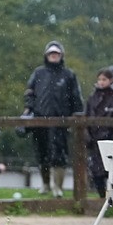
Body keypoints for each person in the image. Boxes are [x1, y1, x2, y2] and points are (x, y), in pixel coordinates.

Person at [24, 40, 84, 197]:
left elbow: (76, 99)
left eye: (56, 53)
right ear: (46, 55)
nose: (54, 56)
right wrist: (29, 109)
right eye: (51, 53)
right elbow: (29, 93)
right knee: (41, 153)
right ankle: (45, 185)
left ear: (61, 55)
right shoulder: (38, 73)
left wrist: (76, 118)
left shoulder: (69, 75)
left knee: (59, 154)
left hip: (61, 122)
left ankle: (58, 187)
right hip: (40, 120)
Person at [85, 67, 113, 197]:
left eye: (104, 79)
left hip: (112, 141)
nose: (101, 82)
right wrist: (88, 137)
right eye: (99, 79)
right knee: (96, 173)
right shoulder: (92, 98)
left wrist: (111, 129)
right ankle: (103, 198)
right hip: (95, 142)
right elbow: (86, 119)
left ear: (111, 80)